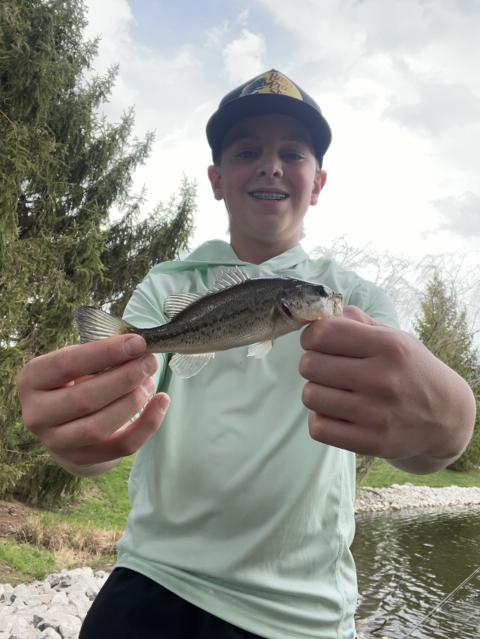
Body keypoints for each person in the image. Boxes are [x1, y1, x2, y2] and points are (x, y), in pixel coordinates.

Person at [16, 69, 476, 639]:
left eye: (293, 152)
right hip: (154, 579)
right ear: (217, 179)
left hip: (302, 615)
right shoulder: (166, 284)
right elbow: (113, 423)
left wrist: (449, 425)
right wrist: (81, 436)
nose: (270, 165)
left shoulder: (357, 300)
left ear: (318, 183)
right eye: (246, 151)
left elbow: (415, 443)